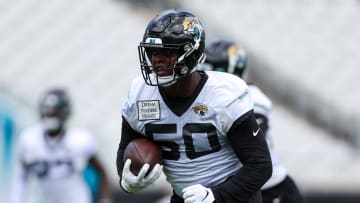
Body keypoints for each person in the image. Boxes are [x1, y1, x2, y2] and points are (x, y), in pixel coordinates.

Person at [116, 9, 272, 203]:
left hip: (234, 198)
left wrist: (216, 196)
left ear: (191, 53)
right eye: (153, 51)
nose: (157, 59)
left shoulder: (223, 94)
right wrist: (126, 179)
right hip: (185, 198)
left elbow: (260, 165)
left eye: (167, 52)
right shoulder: (141, 93)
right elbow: (126, 145)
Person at [201, 40, 304, 203]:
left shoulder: (251, 98)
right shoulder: (210, 98)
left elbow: (247, 149)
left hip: (271, 189)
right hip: (242, 188)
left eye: (214, 69)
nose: (207, 75)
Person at [10, 88, 112, 203]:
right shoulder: (29, 140)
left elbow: (102, 172)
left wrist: (104, 200)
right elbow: (21, 176)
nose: (50, 114)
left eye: (55, 111)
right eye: (47, 110)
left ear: (65, 112)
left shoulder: (79, 140)